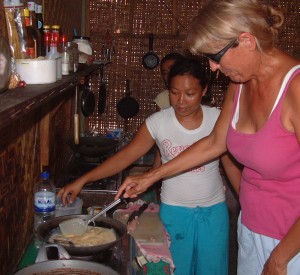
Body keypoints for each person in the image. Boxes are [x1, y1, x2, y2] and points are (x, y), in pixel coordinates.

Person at [116, 1, 300, 274]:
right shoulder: (240, 85)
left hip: (290, 242)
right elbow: (215, 143)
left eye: (216, 56)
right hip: (250, 227)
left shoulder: (295, 89)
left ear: (246, 41)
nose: (213, 68)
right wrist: (151, 177)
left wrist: (280, 257)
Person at [58, 57, 240, 275]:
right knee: (176, 270)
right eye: (174, 92)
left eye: (190, 94)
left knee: (213, 270)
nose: (181, 101)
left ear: (204, 90)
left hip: (213, 212)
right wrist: (83, 180)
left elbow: (230, 165)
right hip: (174, 212)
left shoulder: (217, 119)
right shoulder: (158, 122)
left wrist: (247, 203)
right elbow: (124, 157)